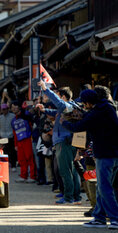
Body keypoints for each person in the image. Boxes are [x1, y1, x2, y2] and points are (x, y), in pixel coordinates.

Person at [61, 89, 118, 229]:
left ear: (88, 102)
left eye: (84, 103)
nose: (83, 105)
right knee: (102, 188)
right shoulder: (106, 108)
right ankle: (99, 217)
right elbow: (90, 117)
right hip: (113, 154)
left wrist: (64, 122)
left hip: (105, 154)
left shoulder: (97, 113)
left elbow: (78, 127)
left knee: (104, 188)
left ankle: (115, 218)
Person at [37, 80, 81, 205]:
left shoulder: (66, 106)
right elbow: (56, 113)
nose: (56, 98)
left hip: (63, 142)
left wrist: (46, 89)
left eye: (58, 95)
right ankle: (76, 197)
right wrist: (44, 109)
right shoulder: (68, 108)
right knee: (72, 170)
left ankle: (68, 198)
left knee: (65, 171)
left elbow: (58, 103)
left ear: (63, 97)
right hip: (66, 142)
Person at [10, 101, 36, 183]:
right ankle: (23, 176)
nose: (13, 109)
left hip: (28, 139)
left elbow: (30, 118)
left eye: (15, 107)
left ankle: (33, 176)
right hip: (19, 142)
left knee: (30, 158)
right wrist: (16, 145)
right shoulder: (13, 121)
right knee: (21, 159)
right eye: (12, 107)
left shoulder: (26, 115)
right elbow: (15, 133)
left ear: (19, 107)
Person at [0, 103, 17, 171]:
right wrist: (0, 134)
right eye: (2, 110)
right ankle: (6, 165)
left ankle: (13, 165)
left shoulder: (12, 116)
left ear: (7, 109)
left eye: (5, 109)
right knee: (4, 151)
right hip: (3, 136)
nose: (4, 111)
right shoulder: (0, 117)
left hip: (10, 136)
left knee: (12, 151)